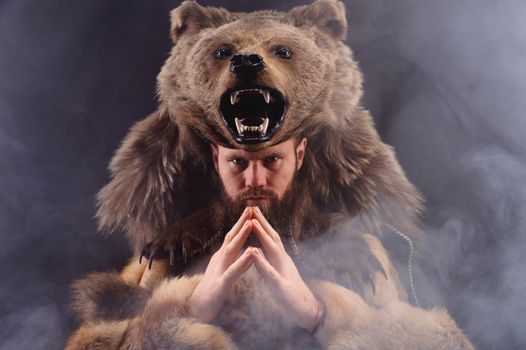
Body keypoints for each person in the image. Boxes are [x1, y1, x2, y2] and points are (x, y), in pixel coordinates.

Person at [66, 137, 474, 349]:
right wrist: (186, 312)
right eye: (238, 162)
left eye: (272, 161)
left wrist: (320, 315)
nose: (255, 181)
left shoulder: (361, 255)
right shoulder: (165, 259)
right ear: (215, 158)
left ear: (299, 154)